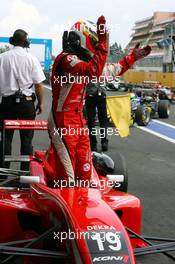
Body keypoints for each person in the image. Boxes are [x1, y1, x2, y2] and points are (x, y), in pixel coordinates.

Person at [47, 16, 151, 183]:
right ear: (83, 38)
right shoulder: (65, 59)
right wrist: (103, 41)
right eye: (94, 43)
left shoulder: (82, 63)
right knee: (67, 177)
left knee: (85, 171)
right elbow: (93, 71)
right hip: (62, 121)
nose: (95, 47)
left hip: (79, 120)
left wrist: (132, 58)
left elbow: (110, 71)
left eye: (97, 43)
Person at [0, 29, 45, 170]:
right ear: (26, 42)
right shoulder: (31, 58)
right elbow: (38, 84)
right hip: (27, 103)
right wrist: (41, 103)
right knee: (26, 139)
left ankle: (3, 172)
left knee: (5, 139)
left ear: (12, 41)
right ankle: (25, 173)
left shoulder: (2, 57)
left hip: (6, 103)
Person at [85, 82, 108, 152]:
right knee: (103, 119)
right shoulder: (103, 70)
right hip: (102, 94)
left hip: (90, 94)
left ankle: (93, 144)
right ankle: (104, 141)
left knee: (91, 120)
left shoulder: (88, 70)